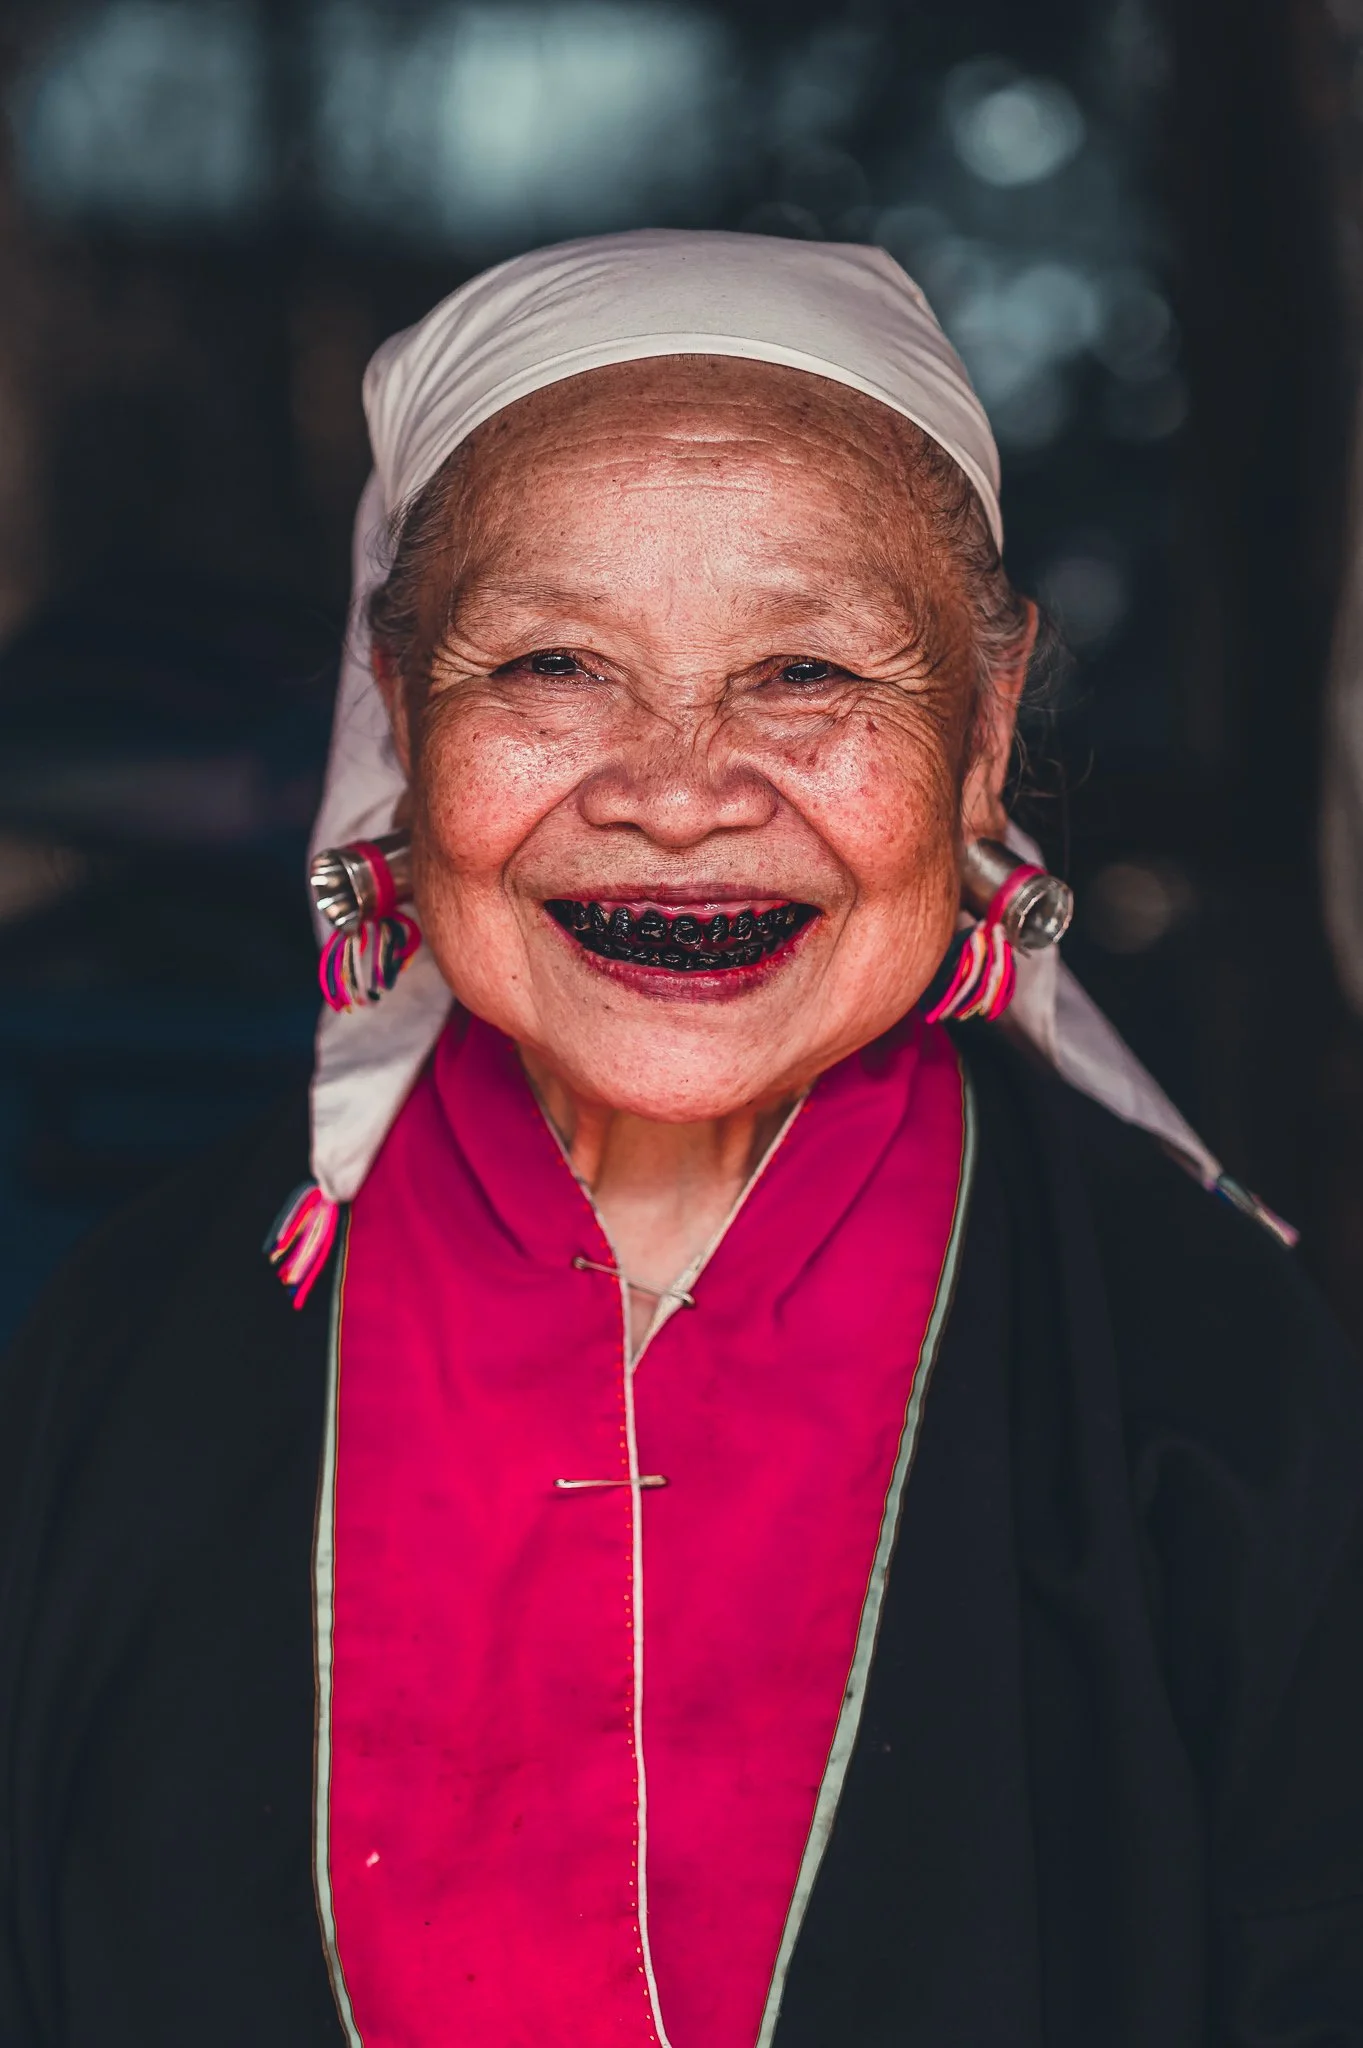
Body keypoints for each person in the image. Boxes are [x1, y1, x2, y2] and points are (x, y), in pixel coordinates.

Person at [1, 231, 1360, 2048]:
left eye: (804, 672)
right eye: (553, 664)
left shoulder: (1212, 1375)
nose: (678, 791)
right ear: (402, 719)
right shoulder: (134, 1346)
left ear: (981, 729)